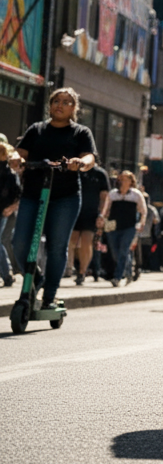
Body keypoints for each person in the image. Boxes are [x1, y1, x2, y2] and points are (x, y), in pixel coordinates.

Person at [9, 88, 98, 310]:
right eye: (56, 101)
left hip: (65, 197)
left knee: (57, 247)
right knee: (19, 242)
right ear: (50, 105)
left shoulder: (80, 132)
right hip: (33, 194)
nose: (60, 105)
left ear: (74, 108)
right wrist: (15, 158)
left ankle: (49, 295)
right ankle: (36, 278)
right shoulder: (36, 129)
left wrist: (80, 163)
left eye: (66, 102)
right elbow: (20, 152)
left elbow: (89, 157)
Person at [98, 171, 147, 287]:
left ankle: (117, 277)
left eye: (126, 179)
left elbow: (143, 211)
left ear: (131, 181)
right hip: (113, 226)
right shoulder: (113, 194)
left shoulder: (136, 195)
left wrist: (141, 223)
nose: (124, 182)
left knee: (124, 250)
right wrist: (101, 219)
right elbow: (106, 209)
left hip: (129, 226)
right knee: (116, 252)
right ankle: (128, 271)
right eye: (122, 179)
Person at [71, 163, 108, 284]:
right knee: (72, 241)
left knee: (86, 241)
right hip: (74, 210)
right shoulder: (76, 171)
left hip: (92, 212)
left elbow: (104, 197)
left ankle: (82, 272)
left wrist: (102, 215)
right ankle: (74, 266)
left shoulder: (99, 174)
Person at [0, 134, 19, 286]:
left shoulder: (10, 174)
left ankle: (7, 274)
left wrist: (11, 208)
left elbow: (19, 195)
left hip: (2, 212)